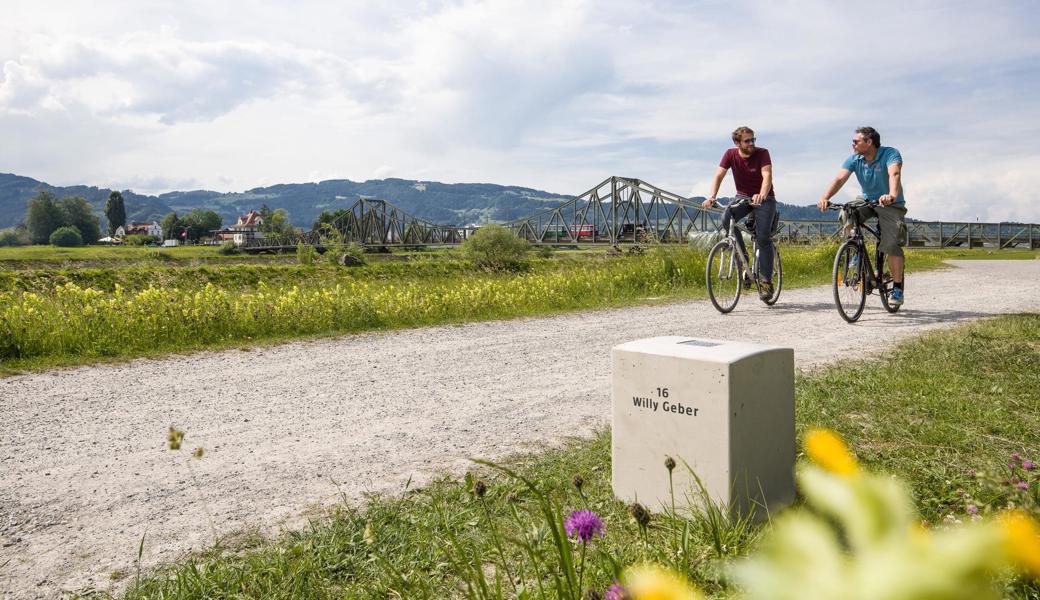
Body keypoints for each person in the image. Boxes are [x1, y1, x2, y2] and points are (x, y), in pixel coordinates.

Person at [816, 126, 906, 306]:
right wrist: (826, 197)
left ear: (869, 142)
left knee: (891, 243)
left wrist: (892, 194)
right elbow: (840, 179)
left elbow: (894, 173)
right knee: (847, 212)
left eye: (856, 141)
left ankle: (897, 288)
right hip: (866, 200)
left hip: (890, 203)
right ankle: (856, 247)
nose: (853, 144)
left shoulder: (890, 154)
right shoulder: (854, 159)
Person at [702, 126, 777, 301]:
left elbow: (767, 176)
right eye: (747, 141)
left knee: (763, 237)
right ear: (737, 143)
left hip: (764, 199)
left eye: (753, 140)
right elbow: (719, 175)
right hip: (742, 197)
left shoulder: (763, 153)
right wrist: (712, 196)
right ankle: (744, 259)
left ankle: (766, 281)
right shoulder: (730, 154)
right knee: (726, 217)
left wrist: (762, 194)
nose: (752, 143)